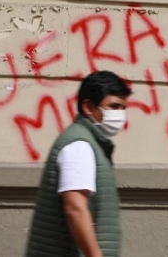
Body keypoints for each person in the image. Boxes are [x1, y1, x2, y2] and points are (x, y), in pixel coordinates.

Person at [24, 71, 131, 257]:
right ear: (88, 107)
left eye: (122, 108)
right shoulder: (79, 145)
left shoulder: (91, 143)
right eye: (113, 106)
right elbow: (75, 207)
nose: (119, 115)